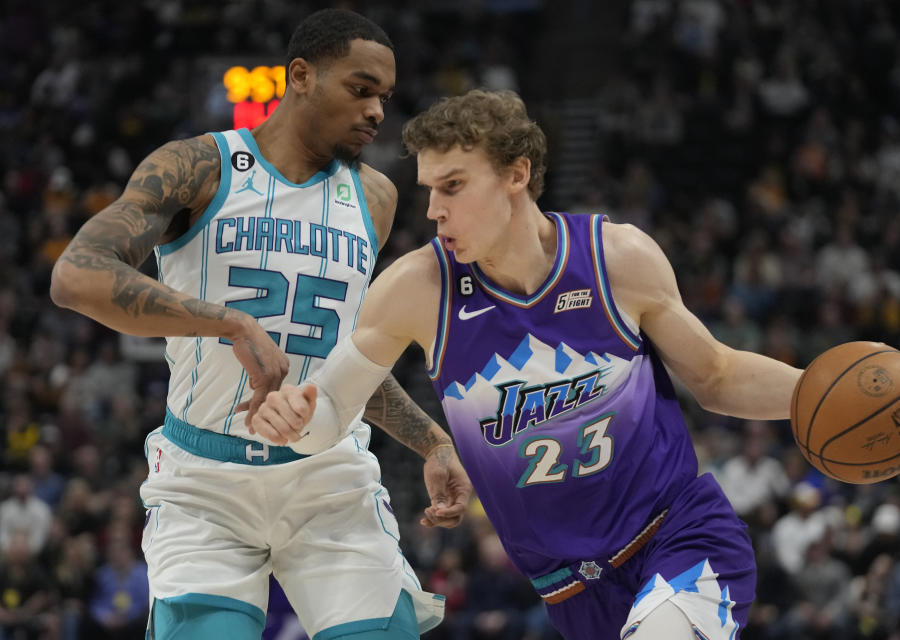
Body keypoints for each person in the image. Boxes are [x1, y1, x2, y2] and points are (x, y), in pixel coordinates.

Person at [250, 89, 806, 639]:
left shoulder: (616, 258)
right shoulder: (417, 288)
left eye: (453, 186)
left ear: (516, 175)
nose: (433, 209)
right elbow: (330, 410)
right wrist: (296, 425)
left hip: (680, 538)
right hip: (570, 590)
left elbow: (717, 377)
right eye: (429, 189)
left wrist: (817, 392)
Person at [50, 9, 471, 639]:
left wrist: (434, 441)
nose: (378, 112)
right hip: (203, 485)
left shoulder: (376, 198)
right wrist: (229, 322)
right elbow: (76, 275)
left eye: (383, 97)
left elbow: (341, 364)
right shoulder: (199, 166)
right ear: (300, 75)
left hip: (329, 481)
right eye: (360, 90)